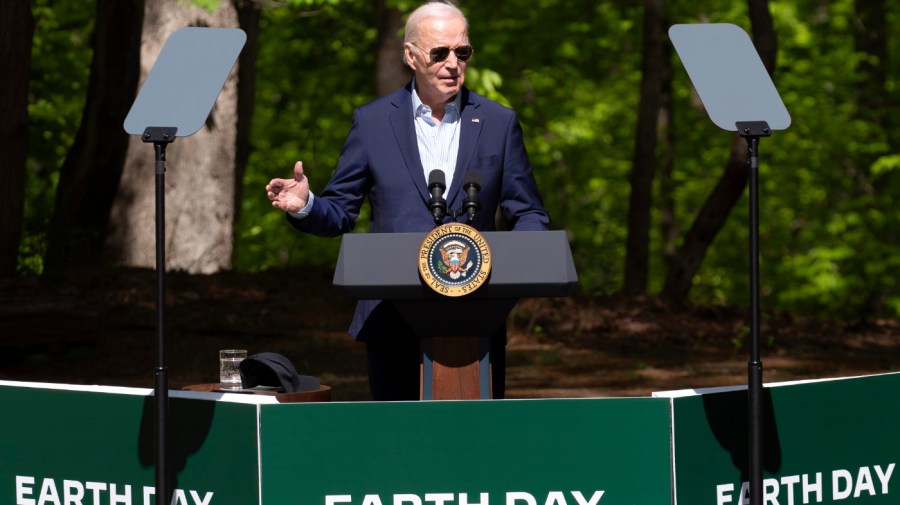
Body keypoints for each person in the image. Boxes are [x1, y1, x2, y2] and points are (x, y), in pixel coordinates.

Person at [265, 0, 549, 400]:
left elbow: (529, 212)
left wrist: (521, 259)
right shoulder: (373, 122)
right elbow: (340, 212)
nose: (453, 63)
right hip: (392, 315)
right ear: (411, 56)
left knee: (475, 445)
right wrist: (306, 204)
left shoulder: (499, 123)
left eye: (462, 52)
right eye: (440, 52)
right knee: (398, 447)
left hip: (477, 314)